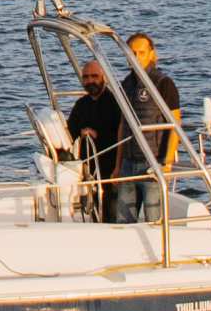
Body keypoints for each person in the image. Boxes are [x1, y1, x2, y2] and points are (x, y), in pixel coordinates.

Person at [111, 31, 182, 224]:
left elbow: (175, 125)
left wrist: (167, 163)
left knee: (154, 220)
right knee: (124, 221)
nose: (136, 57)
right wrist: (117, 166)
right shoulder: (126, 84)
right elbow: (123, 125)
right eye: (132, 53)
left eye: (141, 53)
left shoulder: (164, 83)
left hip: (152, 162)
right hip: (128, 163)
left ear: (152, 54)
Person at [62, 59, 124, 221]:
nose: (90, 81)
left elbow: (122, 133)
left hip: (112, 167)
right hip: (90, 170)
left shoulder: (115, 103)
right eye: (86, 77)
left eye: (94, 76)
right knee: (95, 211)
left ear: (104, 77)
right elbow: (70, 134)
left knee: (111, 212)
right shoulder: (81, 105)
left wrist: (97, 135)